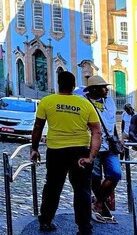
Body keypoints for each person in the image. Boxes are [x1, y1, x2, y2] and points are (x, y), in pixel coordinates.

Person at [30, 71, 102, 235]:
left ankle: (46, 221)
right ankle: (84, 228)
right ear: (73, 85)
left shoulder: (47, 101)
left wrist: (34, 149)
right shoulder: (85, 104)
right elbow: (96, 132)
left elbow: (38, 127)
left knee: (52, 187)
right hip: (80, 152)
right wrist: (91, 156)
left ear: (58, 83)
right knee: (82, 189)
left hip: (56, 151)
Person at [82, 76, 121, 224]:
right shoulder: (85, 102)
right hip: (93, 145)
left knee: (115, 174)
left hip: (110, 145)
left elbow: (110, 124)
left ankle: (98, 202)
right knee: (95, 178)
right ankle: (101, 207)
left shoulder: (109, 101)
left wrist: (118, 142)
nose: (106, 89)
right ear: (94, 89)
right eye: (103, 87)